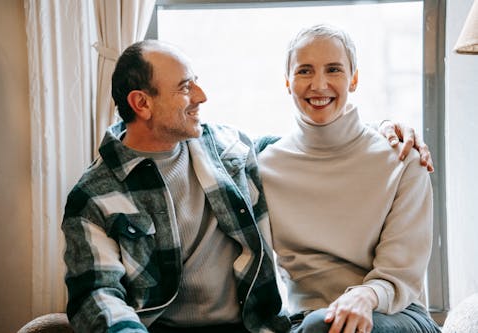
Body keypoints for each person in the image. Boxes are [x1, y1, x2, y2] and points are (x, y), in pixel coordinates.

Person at [62, 39, 433, 333]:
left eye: (334, 69)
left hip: (258, 325)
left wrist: (390, 127)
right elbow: (97, 296)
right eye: (186, 88)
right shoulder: (93, 196)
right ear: (141, 103)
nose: (203, 97)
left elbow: (325, 143)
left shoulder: (228, 149)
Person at [258, 24, 441, 333]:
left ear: (354, 79)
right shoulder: (264, 166)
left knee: (325, 325)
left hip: (395, 312)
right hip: (305, 320)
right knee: (318, 324)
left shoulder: (403, 159)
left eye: (334, 70)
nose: (319, 84)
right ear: (287, 82)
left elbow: (402, 272)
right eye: (304, 71)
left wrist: (364, 296)